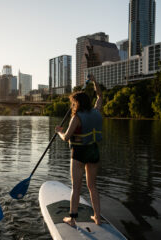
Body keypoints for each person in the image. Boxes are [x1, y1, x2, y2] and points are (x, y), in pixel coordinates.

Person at [55, 74, 103, 226]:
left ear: (77, 103)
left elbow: (67, 137)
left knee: (76, 188)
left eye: (73, 103)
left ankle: (72, 219)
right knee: (92, 186)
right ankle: (97, 217)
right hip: (94, 151)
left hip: (79, 153)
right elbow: (100, 95)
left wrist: (59, 132)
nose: (73, 105)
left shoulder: (76, 118)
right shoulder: (97, 111)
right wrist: (95, 81)